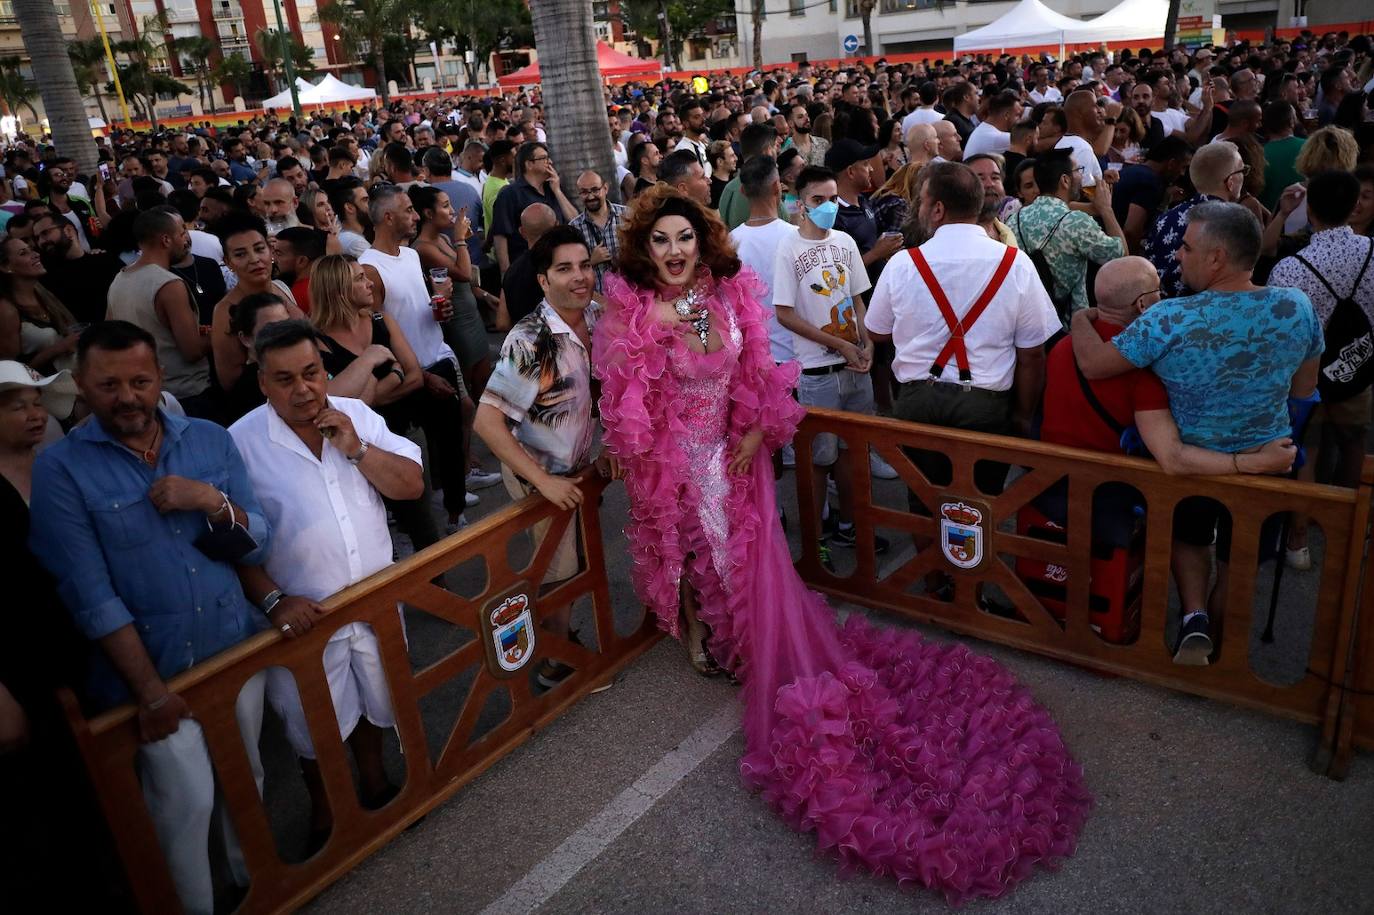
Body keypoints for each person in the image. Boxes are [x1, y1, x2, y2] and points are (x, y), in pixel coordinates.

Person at [592, 181, 1089, 904]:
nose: (673, 251)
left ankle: (736, 638)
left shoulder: (728, 296)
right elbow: (634, 412)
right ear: (645, 249)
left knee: (748, 558)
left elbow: (758, 373)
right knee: (699, 551)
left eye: (684, 239)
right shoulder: (636, 317)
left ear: (703, 243)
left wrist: (758, 429)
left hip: (739, 453)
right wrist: (666, 464)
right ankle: (699, 634)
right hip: (682, 459)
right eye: (660, 241)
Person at [29, 321, 272, 915]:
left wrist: (210, 500)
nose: (127, 396)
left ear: (160, 377)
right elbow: (91, 595)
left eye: (140, 381)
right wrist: (150, 692)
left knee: (248, 783)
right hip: (157, 679)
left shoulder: (211, 439)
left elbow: (258, 540)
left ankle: (263, 891)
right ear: (82, 386)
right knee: (182, 807)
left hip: (232, 648)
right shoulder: (60, 469)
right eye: (109, 385)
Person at [1071, 202, 1323, 665]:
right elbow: (1304, 392)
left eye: (1187, 248)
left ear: (1216, 258)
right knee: (1239, 558)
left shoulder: (1169, 319)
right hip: (1267, 459)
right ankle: (1224, 650)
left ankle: (1194, 617)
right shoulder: (1297, 306)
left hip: (1188, 463)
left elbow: (1091, 364)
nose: (1178, 257)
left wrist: (1079, 319)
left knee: (1190, 537)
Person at [230, 319, 421, 851]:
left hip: (376, 601)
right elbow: (228, 541)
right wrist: (272, 600)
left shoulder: (356, 416)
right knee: (311, 726)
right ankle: (327, 812)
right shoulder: (239, 444)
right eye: (285, 379)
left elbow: (411, 485)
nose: (304, 389)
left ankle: (378, 783)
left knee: (380, 702)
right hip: (303, 618)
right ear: (263, 383)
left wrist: (357, 449)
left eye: (312, 372)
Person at [1037, 256, 1296, 542]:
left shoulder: (1063, 347)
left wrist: (1080, 317)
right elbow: (1172, 458)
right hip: (1110, 492)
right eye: (1159, 290)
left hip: (1052, 482)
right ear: (1142, 305)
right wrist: (1254, 463)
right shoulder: (1145, 371)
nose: (1165, 298)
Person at [867, 159, 1059, 508]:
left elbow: (877, 332)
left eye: (922, 202)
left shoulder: (903, 263)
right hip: (985, 404)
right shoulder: (1014, 262)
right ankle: (971, 563)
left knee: (923, 505)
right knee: (981, 508)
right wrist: (1023, 415)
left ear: (937, 209)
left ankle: (930, 562)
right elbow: (1033, 353)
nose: (920, 209)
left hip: (918, 401)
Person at [475, 227, 609, 689]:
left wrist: (608, 443)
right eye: (565, 269)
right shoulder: (530, 339)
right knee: (556, 571)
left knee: (573, 562)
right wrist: (543, 482)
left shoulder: (596, 315)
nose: (580, 277)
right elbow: (487, 421)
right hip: (539, 476)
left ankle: (563, 642)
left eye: (585, 265)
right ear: (542, 279)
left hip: (576, 468)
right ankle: (556, 663)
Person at [772, 166, 889, 561]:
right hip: (818, 374)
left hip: (855, 366)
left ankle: (850, 526)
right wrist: (836, 344)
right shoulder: (788, 249)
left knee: (852, 453)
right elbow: (784, 313)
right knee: (818, 458)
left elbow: (858, 298)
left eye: (832, 199)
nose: (827, 207)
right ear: (800, 204)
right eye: (817, 200)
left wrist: (867, 343)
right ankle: (815, 537)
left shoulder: (846, 242)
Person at [1268, 170, 1374, 568]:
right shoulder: (1372, 252)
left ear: (1310, 210)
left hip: (1304, 379)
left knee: (1305, 454)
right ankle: (1350, 527)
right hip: (1357, 370)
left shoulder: (1290, 269)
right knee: (1352, 445)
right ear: (1354, 207)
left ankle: (1297, 540)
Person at [360, 185, 471, 533]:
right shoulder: (369, 267)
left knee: (451, 443)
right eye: (408, 210)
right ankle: (414, 529)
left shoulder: (409, 255)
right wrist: (418, 376)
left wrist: (440, 308)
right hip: (405, 376)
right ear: (388, 217)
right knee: (408, 452)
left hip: (435, 358)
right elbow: (376, 332)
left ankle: (456, 514)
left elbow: (418, 309)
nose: (414, 215)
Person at [106, 209, 218, 417]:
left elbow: (111, 334)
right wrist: (220, 334)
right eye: (182, 232)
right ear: (166, 240)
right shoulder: (169, 284)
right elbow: (192, 350)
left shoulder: (119, 279)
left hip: (147, 395)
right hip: (186, 395)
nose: (187, 239)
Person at [1012, 149, 1126, 318]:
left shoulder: (1014, 220)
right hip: (1069, 326)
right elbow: (1121, 257)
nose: (1081, 176)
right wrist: (1107, 210)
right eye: (1078, 170)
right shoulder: (1076, 222)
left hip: (1027, 320)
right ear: (1065, 180)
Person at [210, 212, 302, 399]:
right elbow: (230, 382)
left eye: (259, 249)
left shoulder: (280, 287)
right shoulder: (225, 312)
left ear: (270, 250)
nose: (254, 259)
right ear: (228, 262)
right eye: (240, 254)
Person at [1144, 141, 1246, 298]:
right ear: (1230, 183)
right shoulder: (1233, 224)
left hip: (1158, 308)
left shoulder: (1166, 217)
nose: (1245, 175)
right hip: (1204, 314)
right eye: (1242, 170)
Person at [489, 141, 577, 273]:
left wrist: (557, 191)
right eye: (544, 158)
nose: (550, 162)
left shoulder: (553, 188)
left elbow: (575, 220)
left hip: (559, 264)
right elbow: (500, 236)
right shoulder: (510, 193)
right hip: (527, 268)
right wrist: (506, 273)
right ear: (529, 164)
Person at [29, 210, 124, 325]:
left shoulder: (106, 260)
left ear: (68, 230)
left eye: (45, 233)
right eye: (37, 238)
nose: (41, 242)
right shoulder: (47, 278)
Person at [0, 236, 79, 375]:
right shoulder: (6, 310)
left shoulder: (43, 292)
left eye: (32, 250)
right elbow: (10, 370)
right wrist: (57, 348)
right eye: (23, 253)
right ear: (6, 267)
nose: (36, 254)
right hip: (48, 391)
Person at [1110, 136, 1193, 255]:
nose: (1182, 173)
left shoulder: (1133, 171)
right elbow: (1131, 231)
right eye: (1183, 167)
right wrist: (1133, 262)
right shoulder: (1151, 182)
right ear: (1172, 163)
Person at [569, 170, 626, 294]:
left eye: (595, 190)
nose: (590, 196)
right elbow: (569, 273)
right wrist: (591, 261)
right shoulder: (574, 228)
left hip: (631, 297)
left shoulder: (627, 216)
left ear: (605, 188)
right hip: (596, 303)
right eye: (584, 192)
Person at [964, 89, 1022, 158]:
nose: (1020, 120)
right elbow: (1029, 141)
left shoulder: (983, 129)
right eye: (1017, 115)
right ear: (1006, 115)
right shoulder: (997, 138)